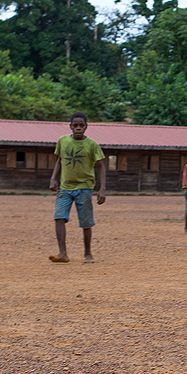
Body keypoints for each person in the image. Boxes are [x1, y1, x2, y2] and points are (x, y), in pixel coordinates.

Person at [49, 112, 106, 264]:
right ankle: (62, 253)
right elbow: (60, 160)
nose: (78, 128)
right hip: (65, 187)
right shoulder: (63, 141)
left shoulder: (92, 144)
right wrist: (53, 178)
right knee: (59, 217)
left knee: (86, 222)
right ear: (71, 126)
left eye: (82, 125)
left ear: (86, 127)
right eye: (75, 125)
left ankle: (88, 253)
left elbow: (100, 166)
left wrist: (102, 189)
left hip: (84, 188)